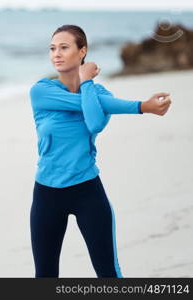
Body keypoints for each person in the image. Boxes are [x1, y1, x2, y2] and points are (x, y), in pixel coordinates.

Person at [29, 24, 172, 278]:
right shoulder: (42, 91)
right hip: (47, 194)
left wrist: (86, 84)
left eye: (64, 47)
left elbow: (94, 122)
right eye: (52, 48)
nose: (56, 54)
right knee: (45, 276)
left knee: (108, 272)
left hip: (87, 191)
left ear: (82, 51)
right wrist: (141, 106)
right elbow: (90, 108)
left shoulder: (98, 94)